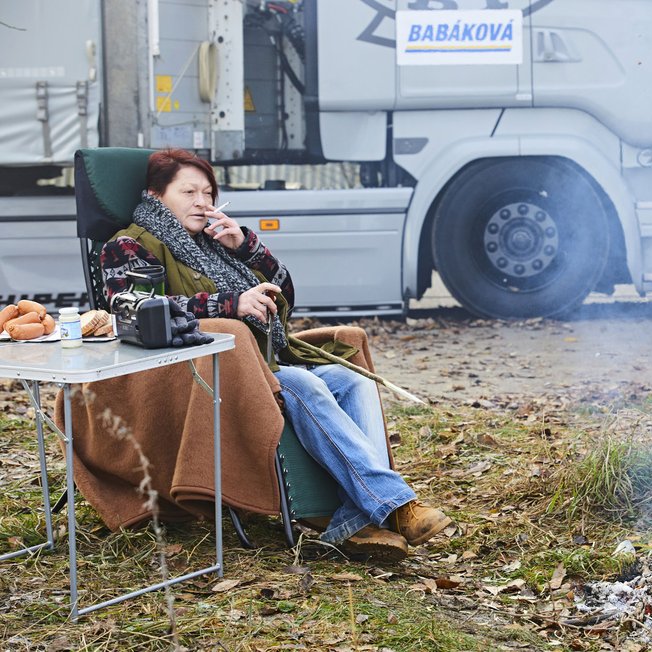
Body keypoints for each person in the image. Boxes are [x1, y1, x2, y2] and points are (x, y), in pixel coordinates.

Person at [100, 148, 450, 562]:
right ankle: (395, 506)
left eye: (208, 193)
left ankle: (354, 518)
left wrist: (248, 248)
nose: (202, 202)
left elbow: (288, 297)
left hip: (261, 363)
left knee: (350, 380)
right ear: (156, 195)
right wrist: (230, 305)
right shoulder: (128, 245)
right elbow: (135, 311)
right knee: (301, 383)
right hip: (196, 376)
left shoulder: (215, 243)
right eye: (188, 192)